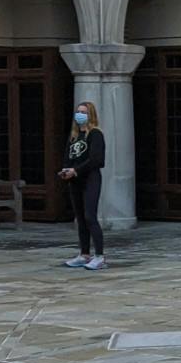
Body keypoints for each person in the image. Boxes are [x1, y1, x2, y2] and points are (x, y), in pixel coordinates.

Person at [60, 99, 107, 270]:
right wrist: (66, 170)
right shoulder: (74, 135)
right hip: (75, 181)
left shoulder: (95, 134)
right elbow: (68, 156)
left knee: (89, 216)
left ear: (91, 115)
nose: (80, 115)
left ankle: (99, 256)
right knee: (80, 218)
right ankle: (84, 254)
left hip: (90, 179)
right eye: (78, 112)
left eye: (84, 113)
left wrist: (77, 170)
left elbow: (96, 160)